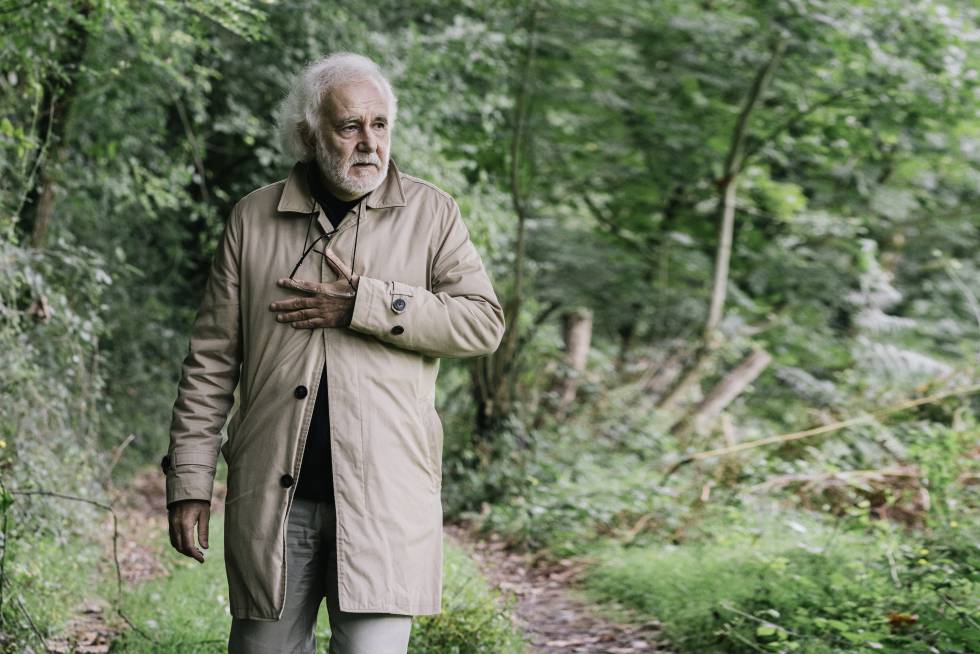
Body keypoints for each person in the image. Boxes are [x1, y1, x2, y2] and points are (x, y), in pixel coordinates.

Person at [161, 52, 506, 654]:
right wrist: (189, 479)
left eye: (380, 125)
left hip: (385, 500)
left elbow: (482, 323)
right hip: (274, 501)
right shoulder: (253, 218)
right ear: (308, 134)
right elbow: (211, 363)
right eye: (350, 126)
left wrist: (365, 305)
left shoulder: (432, 214)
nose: (369, 143)